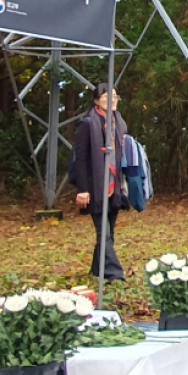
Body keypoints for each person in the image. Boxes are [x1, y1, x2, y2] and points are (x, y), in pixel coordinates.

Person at [71, 83, 128, 281]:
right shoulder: (87, 124)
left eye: (115, 96)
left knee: (108, 232)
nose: (112, 100)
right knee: (103, 232)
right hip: (96, 186)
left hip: (114, 185)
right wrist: (83, 189)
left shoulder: (118, 122)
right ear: (96, 100)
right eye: (107, 96)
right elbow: (81, 158)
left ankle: (97, 270)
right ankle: (114, 274)